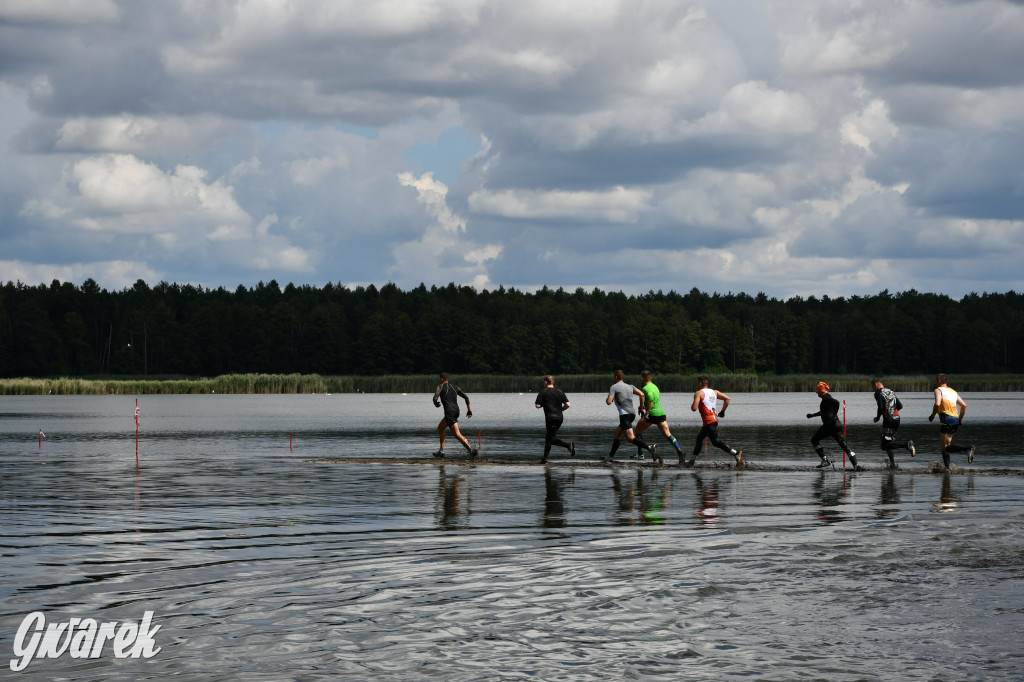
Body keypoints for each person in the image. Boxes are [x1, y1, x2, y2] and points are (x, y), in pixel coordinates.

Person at [604, 370, 660, 464]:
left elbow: (609, 402)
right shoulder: (630, 386)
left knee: (630, 438)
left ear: (616, 377)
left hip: (624, 415)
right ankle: (610, 457)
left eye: (614, 377)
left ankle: (650, 447)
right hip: (632, 414)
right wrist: (641, 407)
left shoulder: (614, 387)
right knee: (617, 434)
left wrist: (609, 397)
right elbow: (642, 394)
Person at [687, 375, 743, 468]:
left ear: (700, 383)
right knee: (699, 438)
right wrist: (723, 411)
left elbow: (694, 408)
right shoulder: (714, 392)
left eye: (698, 382)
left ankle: (736, 453)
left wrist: (695, 400)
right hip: (712, 420)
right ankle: (691, 462)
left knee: (716, 442)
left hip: (709, 421)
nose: (697, 384)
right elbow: (727, 399)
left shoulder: (699, 393)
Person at [806, 381, 859, 470]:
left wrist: (834, 414)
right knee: (844, 446)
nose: (816, 393)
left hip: (830, 425)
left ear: (821, 391)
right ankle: (856, 466)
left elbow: (837, 402)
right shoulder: (826, 399)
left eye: (817, 391)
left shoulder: (826, 398)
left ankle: (825, 460)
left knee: (814, 439)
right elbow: (825, 412)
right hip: (837, 425)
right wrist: (812, 415)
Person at [634, 370, 685, 461]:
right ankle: (679, 451)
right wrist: (641, 407)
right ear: (651, 378)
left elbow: (650, 401)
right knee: (668, 434)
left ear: (642, 378)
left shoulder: (646, 388)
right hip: (661, 413)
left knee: (638, 431)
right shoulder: (655, 386)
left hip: (652, 414)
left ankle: (640, 454)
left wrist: (647, 412)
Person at [928, 373, 975, 471]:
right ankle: (947, 468)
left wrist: (932, 415)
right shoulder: (953, 391)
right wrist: (960, 419)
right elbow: (964, 405)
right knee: (947, 445)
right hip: (955, 420)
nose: (935, 382)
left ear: (940, 381)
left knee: (944, 448)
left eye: (936, 380)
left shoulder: (938, 390)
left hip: (946, 419)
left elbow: (937, 404)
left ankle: (967, 449)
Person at [431, 373, 478, 458]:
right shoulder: (455, 387)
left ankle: (471, 450)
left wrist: (436, 404)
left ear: (441, 379)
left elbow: (435, 398)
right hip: (456, 411)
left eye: (439, 379)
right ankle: (441, 451)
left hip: (449, 412)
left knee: (457, 434)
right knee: (440, 428)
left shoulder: (440, 386)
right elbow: (466, 397)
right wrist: (469, 410)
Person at [871, 378, 915, 469]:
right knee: (889, 443)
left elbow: (881, 407)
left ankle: (906, 445)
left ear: (876, 385)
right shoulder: (891, 391)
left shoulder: (878, 393)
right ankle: (893, 465)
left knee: (884, 446)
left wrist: (877, 418)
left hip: (888, 420)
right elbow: (900, 406)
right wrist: (892, 412)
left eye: (872, 387)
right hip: (896, 419)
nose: (873, 389)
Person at [534, 375, 575, 464]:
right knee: (549, 437)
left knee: (550, 439)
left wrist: (543, 404)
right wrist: (560, 410)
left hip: (550, 417)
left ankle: (568, 445)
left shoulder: (543, 392)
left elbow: (537, 406)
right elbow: (568, 404)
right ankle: (544, 459)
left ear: (545, 382)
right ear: (553, 382)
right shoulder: (560, 391)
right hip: (559, 418)